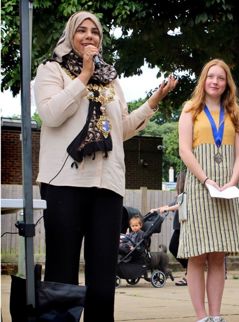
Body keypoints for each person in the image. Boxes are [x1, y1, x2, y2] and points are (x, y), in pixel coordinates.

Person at [33, 11, 177, 321]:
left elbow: (120, 129)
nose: (89, 36)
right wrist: (83, 76)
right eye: (81, 30)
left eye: (95, 32)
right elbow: (51, 115)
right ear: (70, 35)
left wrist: (153, 102)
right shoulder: (51, 70)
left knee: (102, 274)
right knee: (62, 271)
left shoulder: (111, 79)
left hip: (107, 185)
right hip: (65, 184)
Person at [177, 58, 239, 322]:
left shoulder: (233, 112)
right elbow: (185, 150)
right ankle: (201, 316)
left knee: (219, 255)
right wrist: (206, 179)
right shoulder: (190, 110)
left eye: (221, 78)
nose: (215, 82)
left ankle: (215, 315)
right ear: (204, 79)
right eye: (211, 77)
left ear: (226, 83)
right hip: (201, 186)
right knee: (198, 255)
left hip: (227, 187)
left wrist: (233, 181)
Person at [150, 171, 189, 286]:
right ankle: (190, 273)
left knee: (174, 247)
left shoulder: (187, 195)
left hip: (184, 227)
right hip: (178, 227)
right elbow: (169, 206)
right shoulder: (180, 196)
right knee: (176, 249)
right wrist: (156, 210)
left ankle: (190, 273)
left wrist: (168, 209)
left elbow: (179, 206)